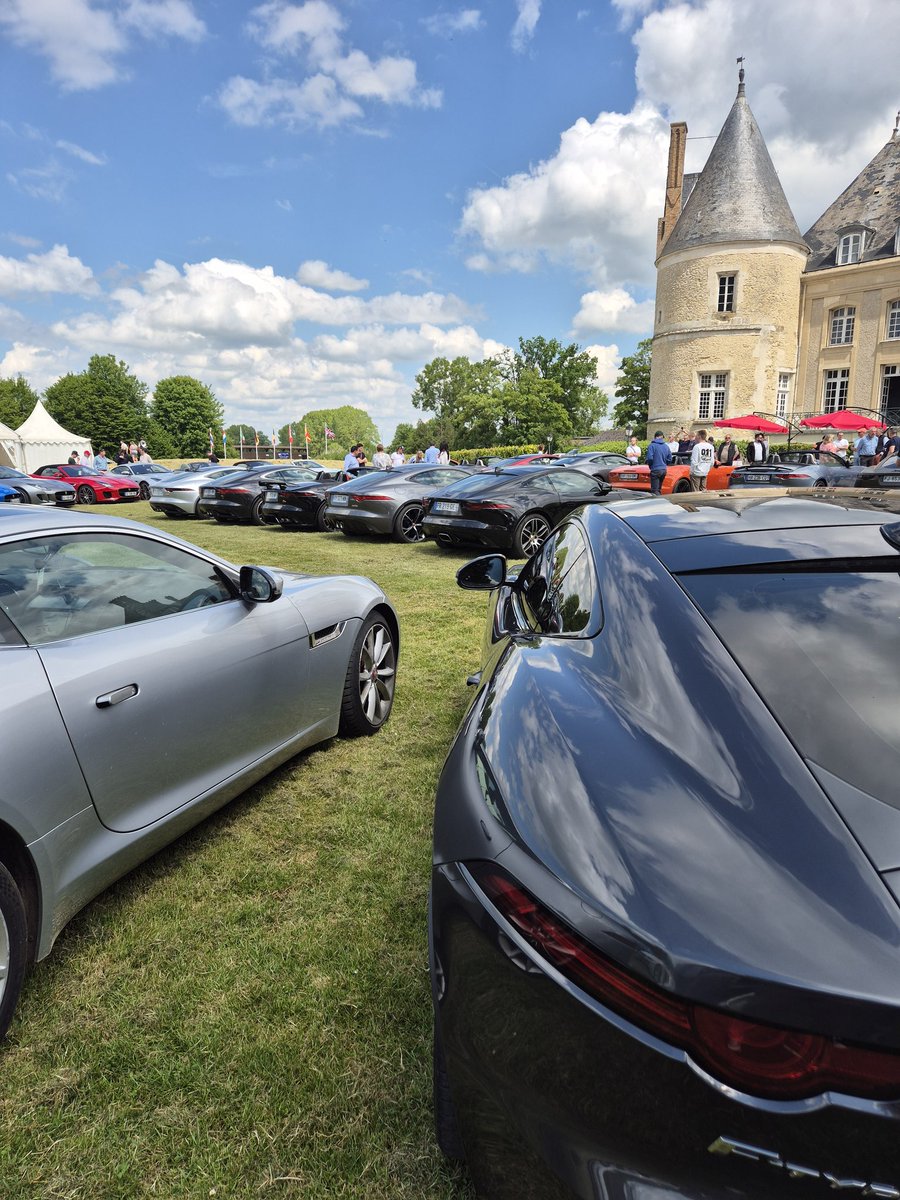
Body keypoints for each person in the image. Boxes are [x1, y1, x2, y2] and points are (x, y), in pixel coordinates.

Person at [645, 431, 672, 496]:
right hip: (663, 469)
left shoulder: (652, 446)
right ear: (662, 437)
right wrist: (664, 464)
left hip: (655, 469)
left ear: (655, 437)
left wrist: (651, 465)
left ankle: (658, 504)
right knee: (659, 489)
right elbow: (670, 459)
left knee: (655, 491)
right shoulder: (666, 446)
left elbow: (650, 458)